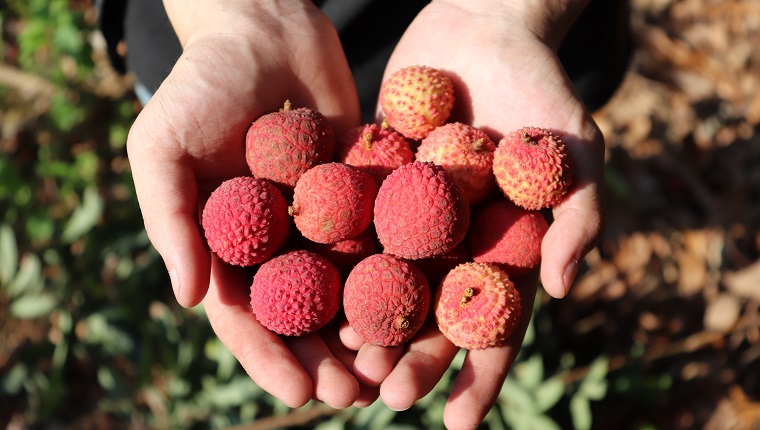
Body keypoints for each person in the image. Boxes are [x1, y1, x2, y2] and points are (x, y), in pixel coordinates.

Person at [102, 0, 630, 428]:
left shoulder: (443, 175)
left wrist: (506, 15)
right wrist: (235, 16)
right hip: (222, 57)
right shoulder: (306, 193)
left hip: (490, 57)